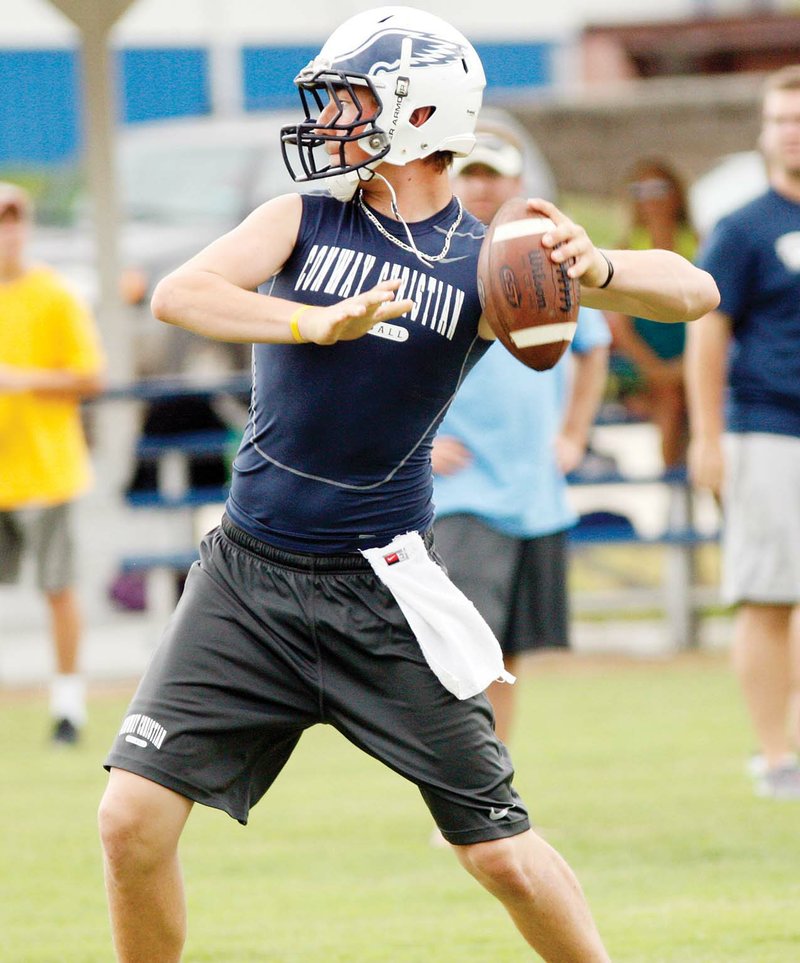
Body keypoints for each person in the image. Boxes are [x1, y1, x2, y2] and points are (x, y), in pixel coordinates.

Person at [97, 8, 719, 961]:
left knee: (500, 854)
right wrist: (313, 323)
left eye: (351, 100)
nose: (330, 120)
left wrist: (597, 264)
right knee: (129, 820)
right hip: (246, 576)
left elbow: (692, 291)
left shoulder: (489, 260)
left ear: (419, 115)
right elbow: (184, 292)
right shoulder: (301, 216)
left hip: (381, 589)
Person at [433, 116, 611, 744]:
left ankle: (493, 792)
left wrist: (574, 432)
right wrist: (416, 447)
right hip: (460, 496)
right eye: (470, 171)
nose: (482, 185)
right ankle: (466, 804)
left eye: (494, 172)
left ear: (518, 179)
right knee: (463, 660)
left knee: (505, 663)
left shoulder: (545, 253)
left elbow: (595, 345)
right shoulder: (430, 251)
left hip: (534, 493)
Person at [686, 65, 800, 801]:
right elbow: (707, 330)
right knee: (769, 594)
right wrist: (707, 436)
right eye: (779, 119)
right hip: (768, 428)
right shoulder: (744, 227)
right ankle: (774, 755)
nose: (789, 132)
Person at [0, 180, 106, 744]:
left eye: (14, 220)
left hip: (45, 471)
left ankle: (68, 706)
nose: (7, 233)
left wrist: (24, 381)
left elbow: (92, 376)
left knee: (58, 588)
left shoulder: (54, 295)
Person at [606, 159, 698, 469]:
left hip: (692, 358)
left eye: (658, 188)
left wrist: (686, 365)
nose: (650, 198)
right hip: (643, 364)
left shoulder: (700, 245)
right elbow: (619, 326)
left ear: (677, 194)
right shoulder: (624, 250)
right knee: (671, 398)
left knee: (695, 397)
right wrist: (653, 367)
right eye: (640, 190)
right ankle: (674, 482)